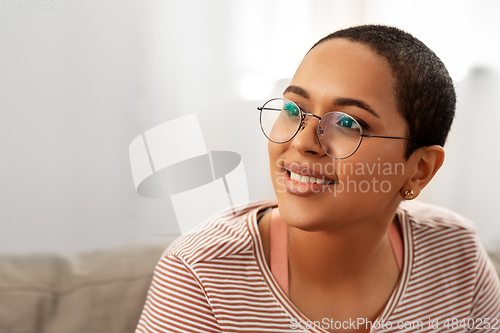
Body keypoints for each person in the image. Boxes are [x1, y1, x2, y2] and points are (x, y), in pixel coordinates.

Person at [135, 25, 500, 333]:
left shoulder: (456, 253)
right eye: (294, 110)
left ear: (419, 169)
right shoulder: (200, 276)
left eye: (347, 123)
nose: (302, 142)